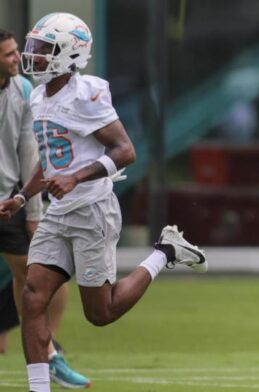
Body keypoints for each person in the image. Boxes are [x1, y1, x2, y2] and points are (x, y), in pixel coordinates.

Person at [0, 13, 207, 392]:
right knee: (32, 298)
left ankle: (165, 252)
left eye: (44, 49)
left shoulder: (86, 94)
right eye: (35, 47)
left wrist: (76, 177)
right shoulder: (41, 96)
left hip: (93, 209)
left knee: (101, 312)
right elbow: (49, 160)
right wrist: (21, 196)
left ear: (69, 52)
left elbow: (125, 151)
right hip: (59, 212)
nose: (35, 55)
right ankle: (39, 388)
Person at [0, 27, 86, 384]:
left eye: (17, 50)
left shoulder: (23, 91)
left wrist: (32, 211)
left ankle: (48, 351)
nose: (17, 58)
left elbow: (28, 151)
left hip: (8, 202)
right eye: (8, 54)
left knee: (49, 272)